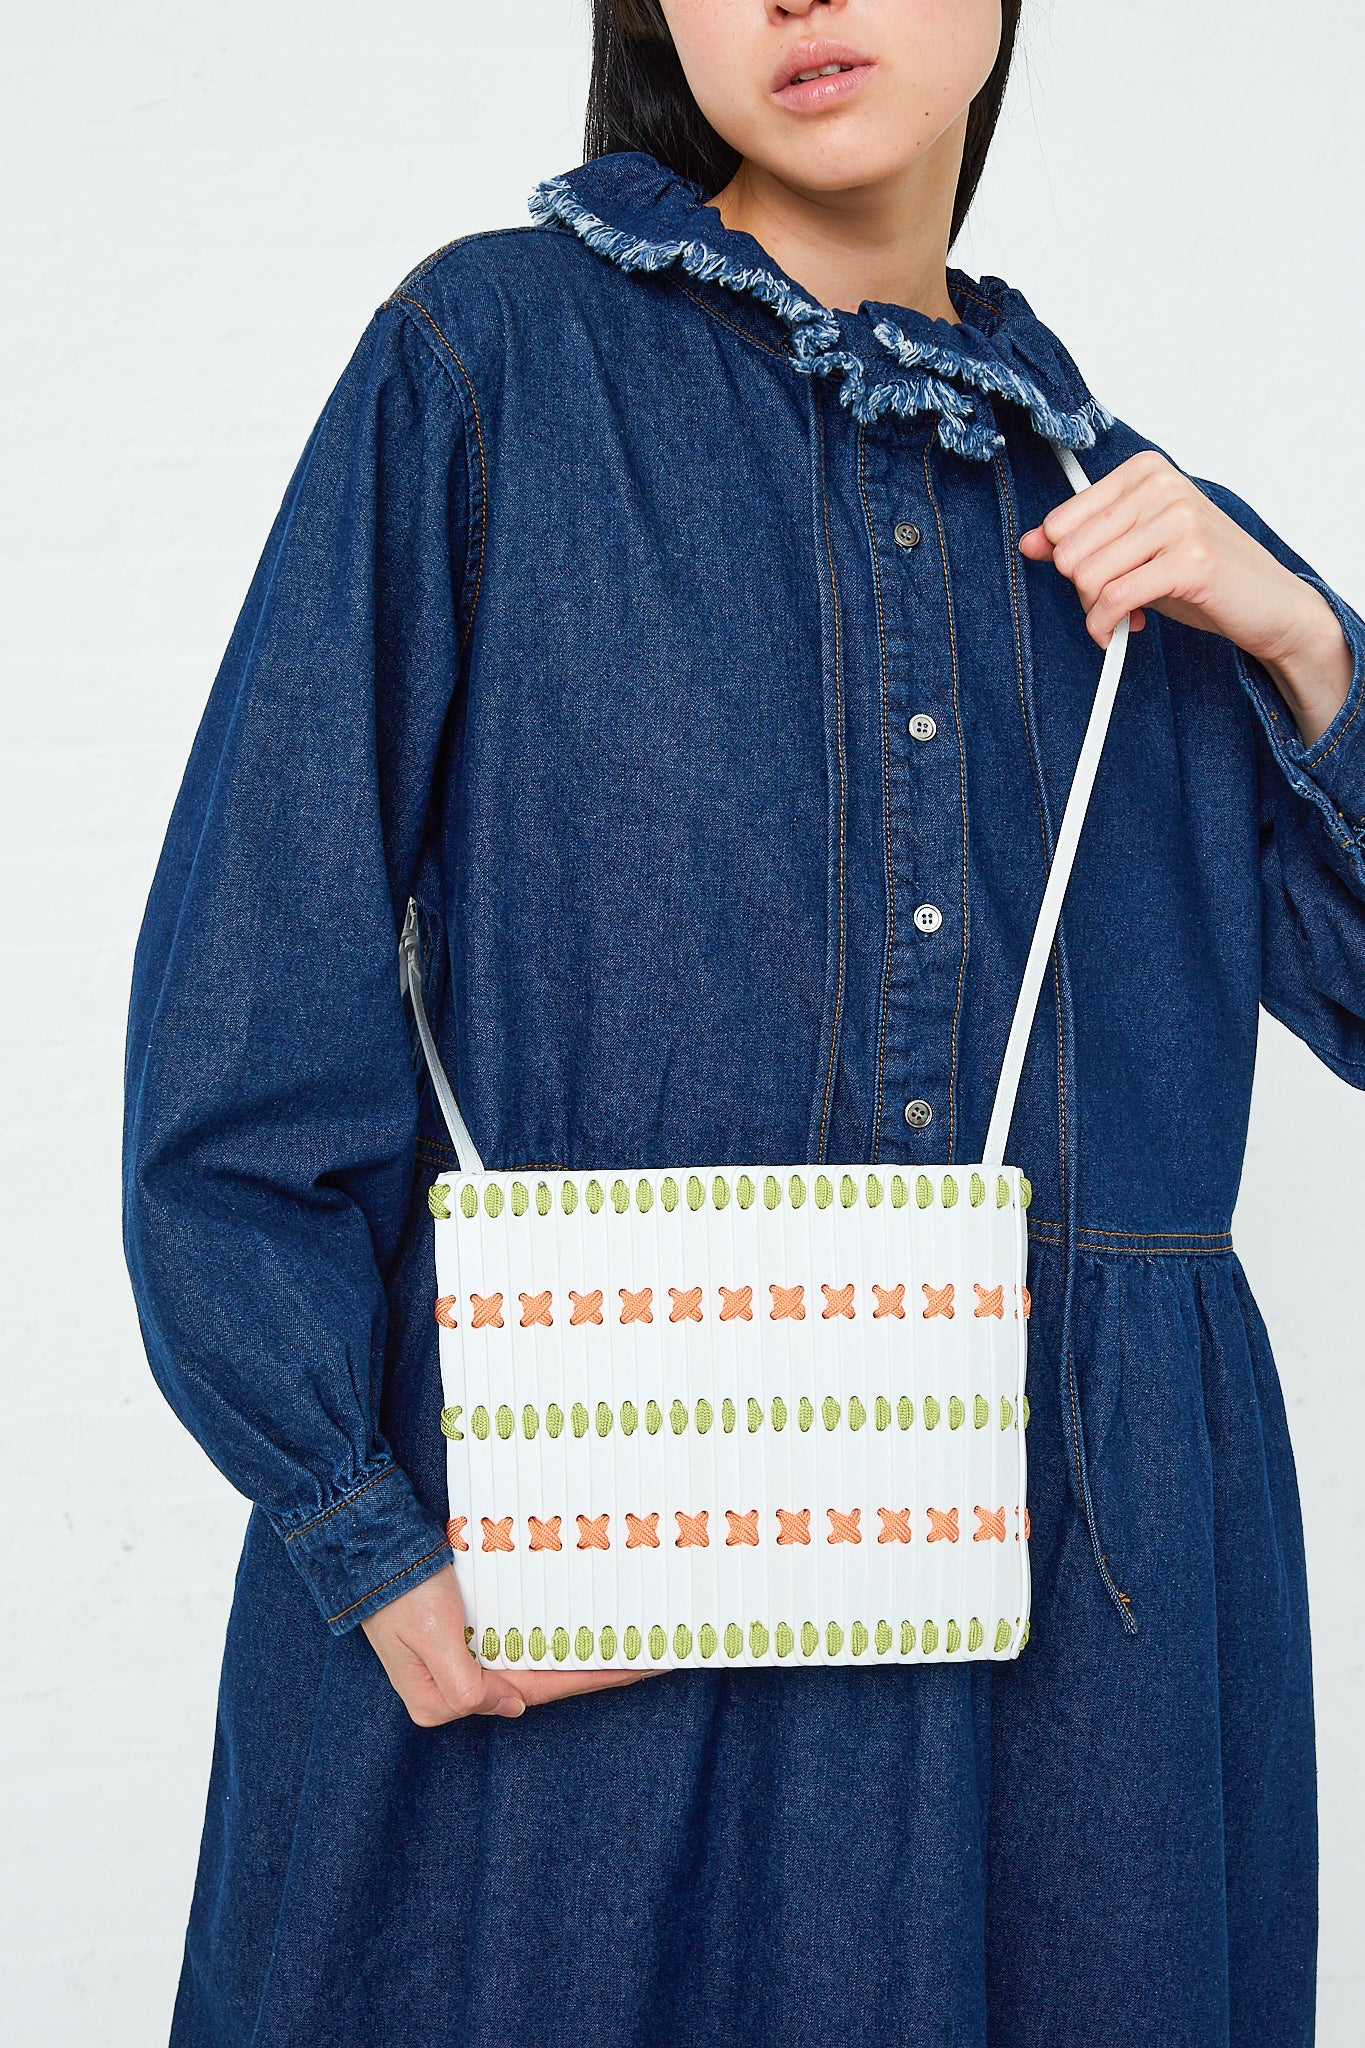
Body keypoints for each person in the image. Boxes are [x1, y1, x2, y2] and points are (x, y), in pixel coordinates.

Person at [123, 3, 1362, 2042]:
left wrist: (1307, 645)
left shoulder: (1152, 543)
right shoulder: (488, 361)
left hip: (1081, 1683)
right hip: (565, 1598)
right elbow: (253, 991)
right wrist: (356, 1524)